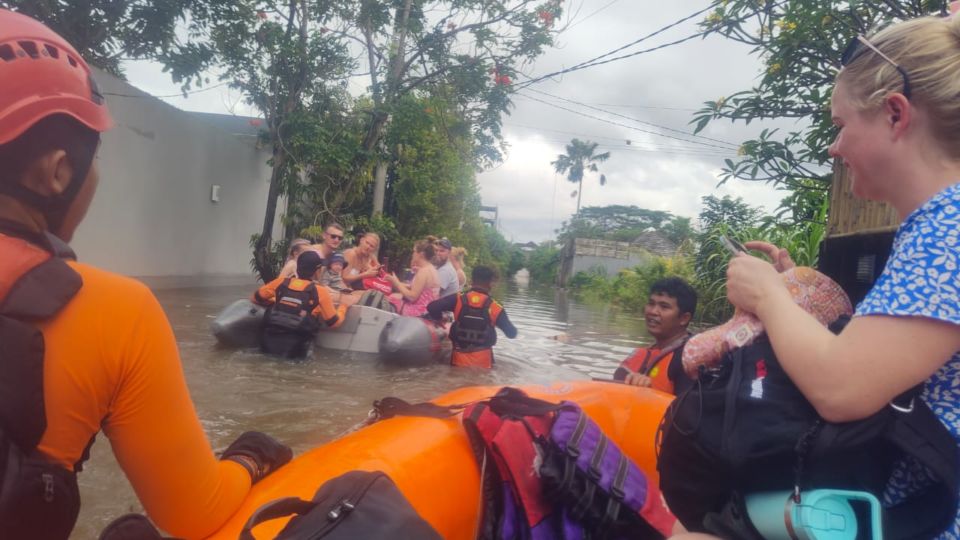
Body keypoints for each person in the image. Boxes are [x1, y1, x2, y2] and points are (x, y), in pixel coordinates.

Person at [0, 10, 292, 539]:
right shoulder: (114, 311)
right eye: (95, 160)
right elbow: (195, 512)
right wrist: (250, 456)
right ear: (58, 171)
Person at [697, 16, 960, 539]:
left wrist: (769, 297)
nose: (833, 148)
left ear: (894, 113)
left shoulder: (948, 230)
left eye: (840, 125)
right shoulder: (934, 226)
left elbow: (842, 387)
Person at [612, 277, 697, 395]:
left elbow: (689, 410)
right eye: (651, 303)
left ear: (684, 318)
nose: (653, 311)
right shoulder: (647, 353)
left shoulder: (689, 360)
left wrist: (650, 393)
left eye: (664, 306)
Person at [253, 251, 346, 359]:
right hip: (295, 353)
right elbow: (334, 323)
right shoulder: (320, 291)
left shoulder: (280, 282)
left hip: (267, 346)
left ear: (297, 268)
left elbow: (255, 299)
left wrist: (278, 303)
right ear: (317, 271)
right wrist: (344, 306)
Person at [426, 265, 517, 368]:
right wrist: (496, 323)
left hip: (458, 362)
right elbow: (512, 333)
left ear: (471, 280)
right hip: (484, 366)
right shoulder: (495, 307)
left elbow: (432, 307)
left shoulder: (458, 298)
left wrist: (439, 319)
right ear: (490, 283)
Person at [385, 238, 440, 316]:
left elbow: (412, 297)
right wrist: (394, 282)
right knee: (394, 296)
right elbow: (418, 289)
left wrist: (396, 283)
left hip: (419, 312)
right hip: (427, 310)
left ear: (421, 254)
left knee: (389, 298)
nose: (412, 254)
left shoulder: (423, 272)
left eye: (414, 251)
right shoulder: (431, 269)